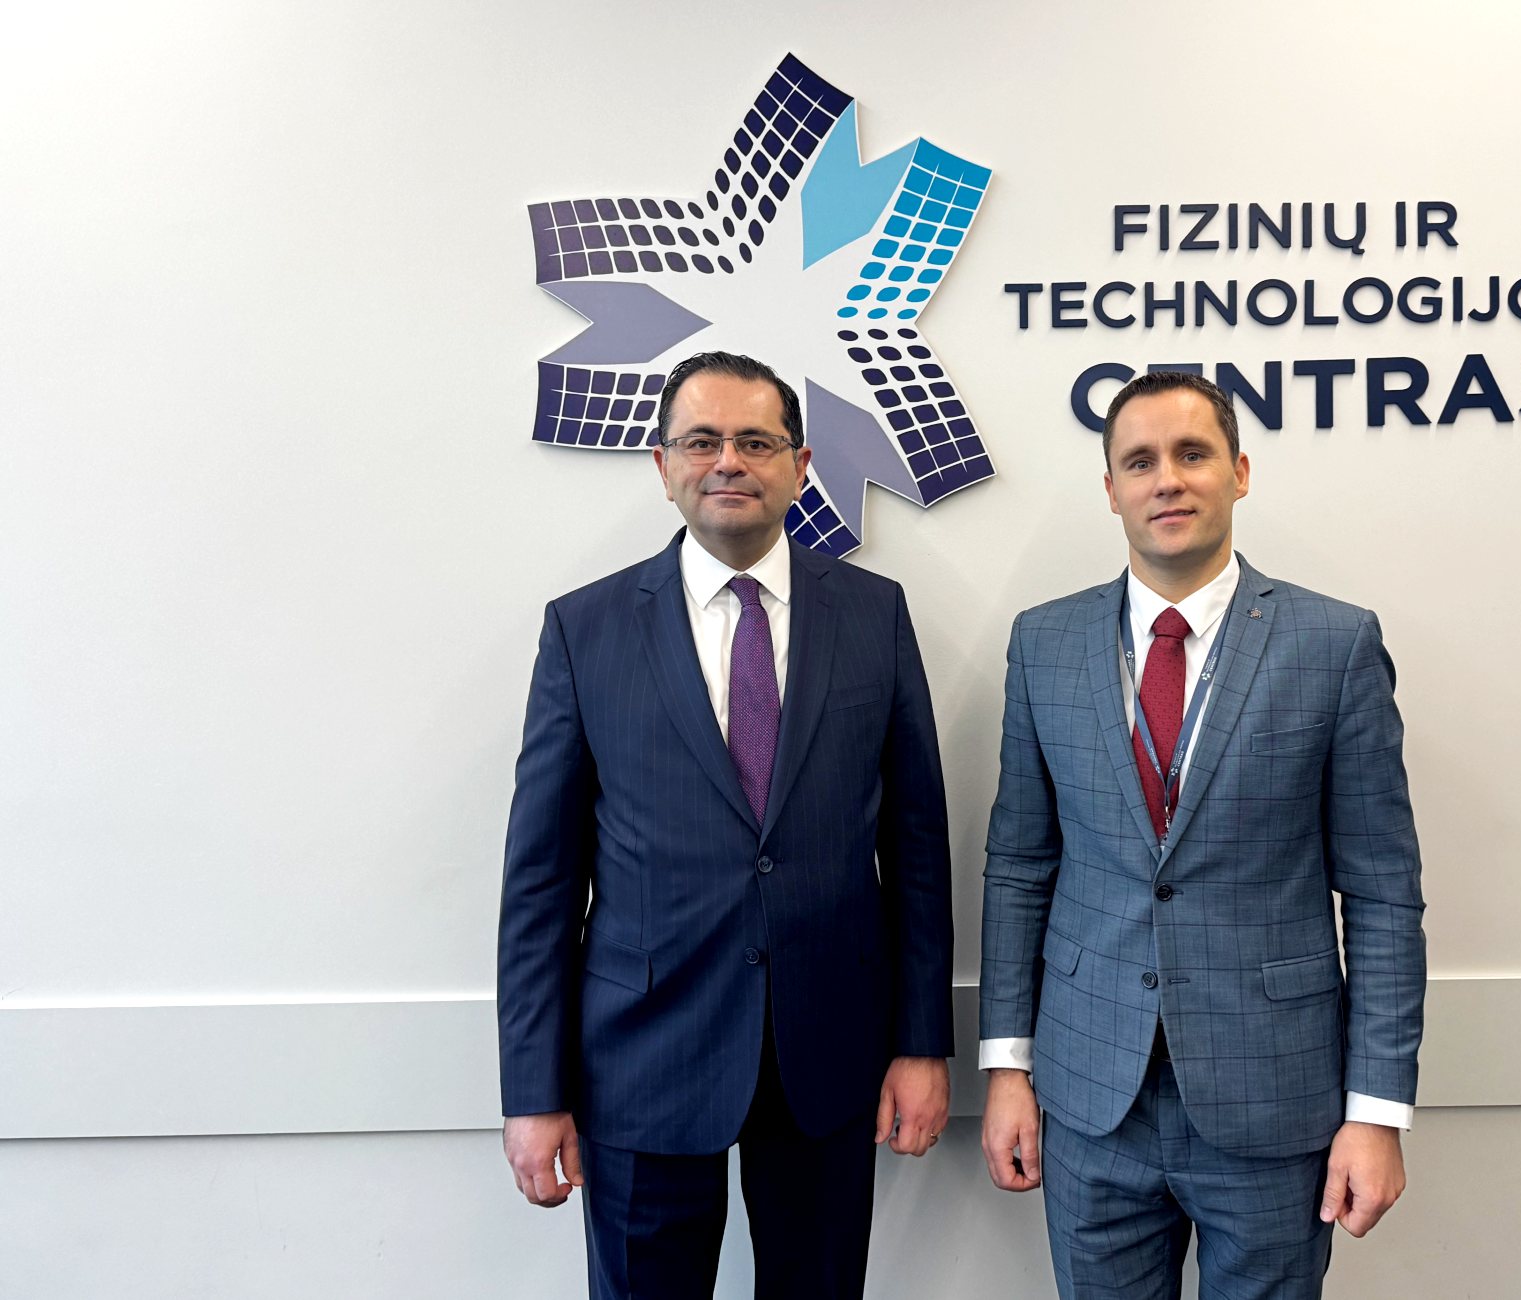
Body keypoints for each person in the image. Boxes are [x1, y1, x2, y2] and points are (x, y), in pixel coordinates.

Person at [497, 351, 954, 1299]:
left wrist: (921, 1044)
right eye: (701, 441)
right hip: (641, 1062)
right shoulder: (585, 629)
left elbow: (916, 851)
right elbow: (541, 883)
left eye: (756, 441)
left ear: (800, 464)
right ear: (663, 466)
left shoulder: (874, 615)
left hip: (828, 1056)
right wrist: (533, 1093)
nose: (729, 461)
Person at [977, 370, 1426, 1298]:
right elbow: (1020, 867)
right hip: (1090, 1098)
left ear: (1239, 472)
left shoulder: (1334, 645)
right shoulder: (1043, 643)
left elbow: (1383, 893)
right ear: (1112, 489)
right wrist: (1008, 1066)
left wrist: (1377, 1111)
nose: (1167, 480)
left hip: (1274, 1100)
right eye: (1140, 462)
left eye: (1192, 454)